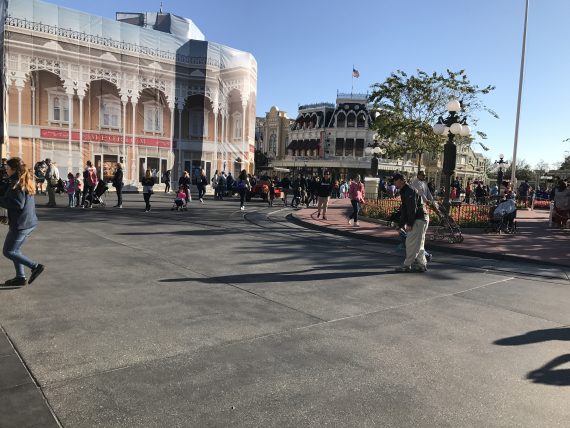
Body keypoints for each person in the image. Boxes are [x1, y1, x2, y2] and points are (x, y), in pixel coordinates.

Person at [0, 158, 45, 287]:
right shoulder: (21, 180)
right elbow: (8, 192)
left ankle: (35, 266)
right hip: (27, 222)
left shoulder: (18, 184)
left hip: (21, 224)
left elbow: (18, 203)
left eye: (7, 168)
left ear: (14, 169)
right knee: (15, 250)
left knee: (8, 251)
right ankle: (20, 277)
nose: (5, 170)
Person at [393, 173, 429, 273]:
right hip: (422, 218)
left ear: (401, 180)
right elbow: (405, 209)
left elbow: (412, 209)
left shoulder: (409, 191)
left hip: (418, 219)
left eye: (395, 181)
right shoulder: (405, 191)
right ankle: (422, 264)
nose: (394, 183)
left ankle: (406, 265)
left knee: (410, 243)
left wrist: (409, 224)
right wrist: (401, 224)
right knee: (419, 243)